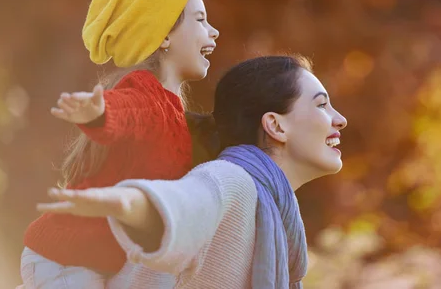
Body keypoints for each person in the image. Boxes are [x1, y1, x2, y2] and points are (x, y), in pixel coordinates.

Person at [38, 55, 348, 289]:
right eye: (322, 105)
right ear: (276, 125)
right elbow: (185, 203)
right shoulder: (234, 181)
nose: (340, 119)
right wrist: (132, 205)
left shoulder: (274, 210)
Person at [21, 0, 220, 289]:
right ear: (164, 35)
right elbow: (131, 110)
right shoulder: (146, 91)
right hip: (65, 258)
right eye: (200, 20)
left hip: (103, 263)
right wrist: (101, 112)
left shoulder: (176, 113)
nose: (214, 31)